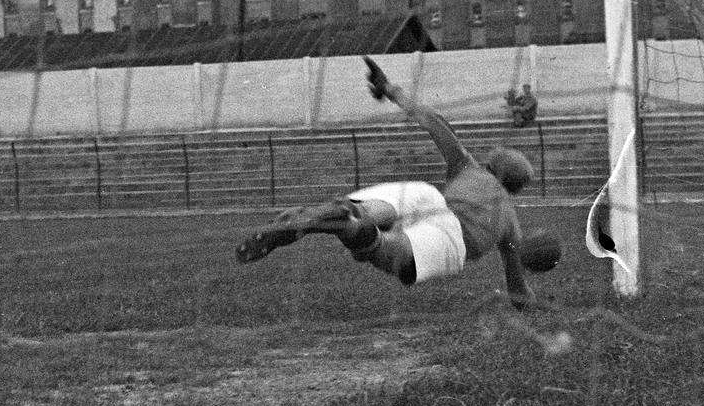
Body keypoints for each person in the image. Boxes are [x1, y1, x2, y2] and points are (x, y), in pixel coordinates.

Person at [237, 57, 560, 309]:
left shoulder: (469, 168)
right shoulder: (509, 222)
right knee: (382, 249)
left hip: (431, 198)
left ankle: (343, 215)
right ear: (515, 188)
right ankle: (352, 229)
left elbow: (432, 120)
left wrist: (389, 87)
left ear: (491, 165)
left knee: (369, 209)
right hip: (455, 238)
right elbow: (518, 290)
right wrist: (536, 299)